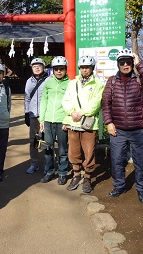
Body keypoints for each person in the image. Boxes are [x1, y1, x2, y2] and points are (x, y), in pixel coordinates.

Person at [102, 48, 143, 204]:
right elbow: (106, 103)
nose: (125, 65)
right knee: (117, 160)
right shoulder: (112, 81)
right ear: (118, 64)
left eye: (128, 62)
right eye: (122, 62)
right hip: (118, 130)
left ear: (132, 63)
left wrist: (139, 63)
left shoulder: (139, 81)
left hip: (138, 129)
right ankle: (119, 186)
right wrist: (109, 122)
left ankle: (142, 190)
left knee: (142, 161)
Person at [62, 55, 104, 193]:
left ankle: (87, 177)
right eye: (82, 67)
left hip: (89, 124)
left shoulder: (98, 84)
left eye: (87, 67)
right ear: (79, 68)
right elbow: (66, 100)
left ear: (92, 68)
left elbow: (97, 103)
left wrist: (81, 112)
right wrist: (71, 112)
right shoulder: (72, 83)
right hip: (73, 122)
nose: (84, 69)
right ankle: (76, 175)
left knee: (89, 151)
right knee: (73, 151)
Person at [39, 56, 70, 185]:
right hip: (48, 120)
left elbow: (72, 103)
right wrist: (42, 119)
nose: (58, 71)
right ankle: (49, 171)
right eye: (56, 69)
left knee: (62, 149)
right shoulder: (48, 82)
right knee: (48, 147)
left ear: (65, 69)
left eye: (61, 69)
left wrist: (67, 120)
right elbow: (44, 101)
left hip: (62, 120)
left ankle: (62, 172)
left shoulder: (70, 83)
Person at [24, 57, 48, 174]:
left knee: (46, 139)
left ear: (44, 67)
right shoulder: (29, 81)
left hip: (46, 115)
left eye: (39, 66)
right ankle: (34, 163)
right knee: (33, 140)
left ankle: (47, 164)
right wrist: (26, 113)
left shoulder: (49, 80)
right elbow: (27, 98)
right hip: (33, 115)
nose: (37, 68)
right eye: (34, 66)